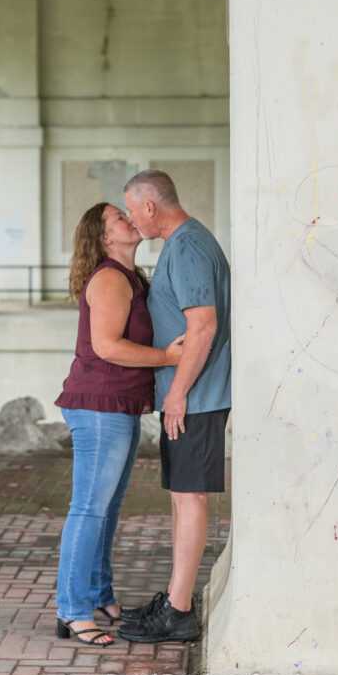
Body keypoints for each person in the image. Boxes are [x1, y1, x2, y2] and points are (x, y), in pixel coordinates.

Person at [54, 201, 184, 647]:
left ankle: (99, 595)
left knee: (105, 508)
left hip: (117, 405)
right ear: (105, 237)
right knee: (88, 509)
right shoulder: (110, 278)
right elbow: (108, 346)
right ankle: (72, 611)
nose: (130, 219)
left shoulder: (128, 277)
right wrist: (168, 358)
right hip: (99, 408)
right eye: (118, 218)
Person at [118, 169, 231, 644]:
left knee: (189, 499)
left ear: (149, 206)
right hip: (194, 395)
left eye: (130, 209)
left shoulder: (184, 246)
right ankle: (175, 598)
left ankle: (179, 613)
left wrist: (178, 392)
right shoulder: (189, 240)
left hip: (197, 398)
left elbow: (202, 325)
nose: (129, 218)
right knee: (182, 498)